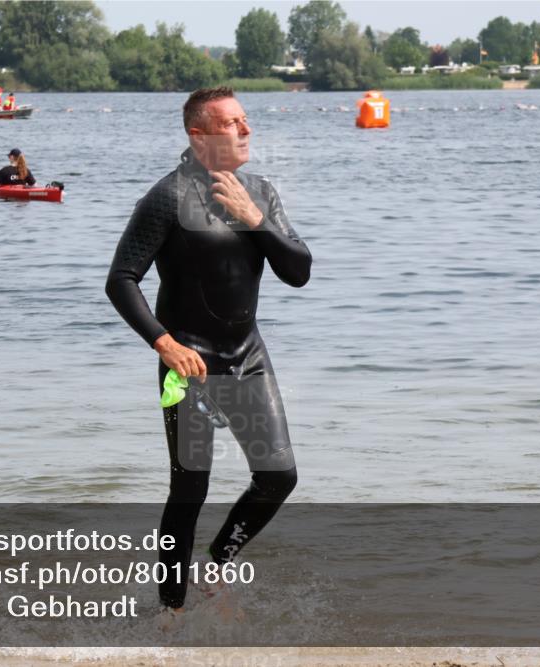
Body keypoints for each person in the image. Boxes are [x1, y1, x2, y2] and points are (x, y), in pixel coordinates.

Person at [105, 87, 311, 612]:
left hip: (248, 357)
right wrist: (164, 343)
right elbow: (122, 280)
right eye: (232, 123)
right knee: (190, 490)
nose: (246, 130)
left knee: (278, 477)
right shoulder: (168, 197)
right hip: (189, 364)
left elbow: (298, 271)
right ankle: (171, 613)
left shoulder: (259, 192)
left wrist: (254, 219)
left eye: (245, 120)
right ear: (199, 135)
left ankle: (218, 559)